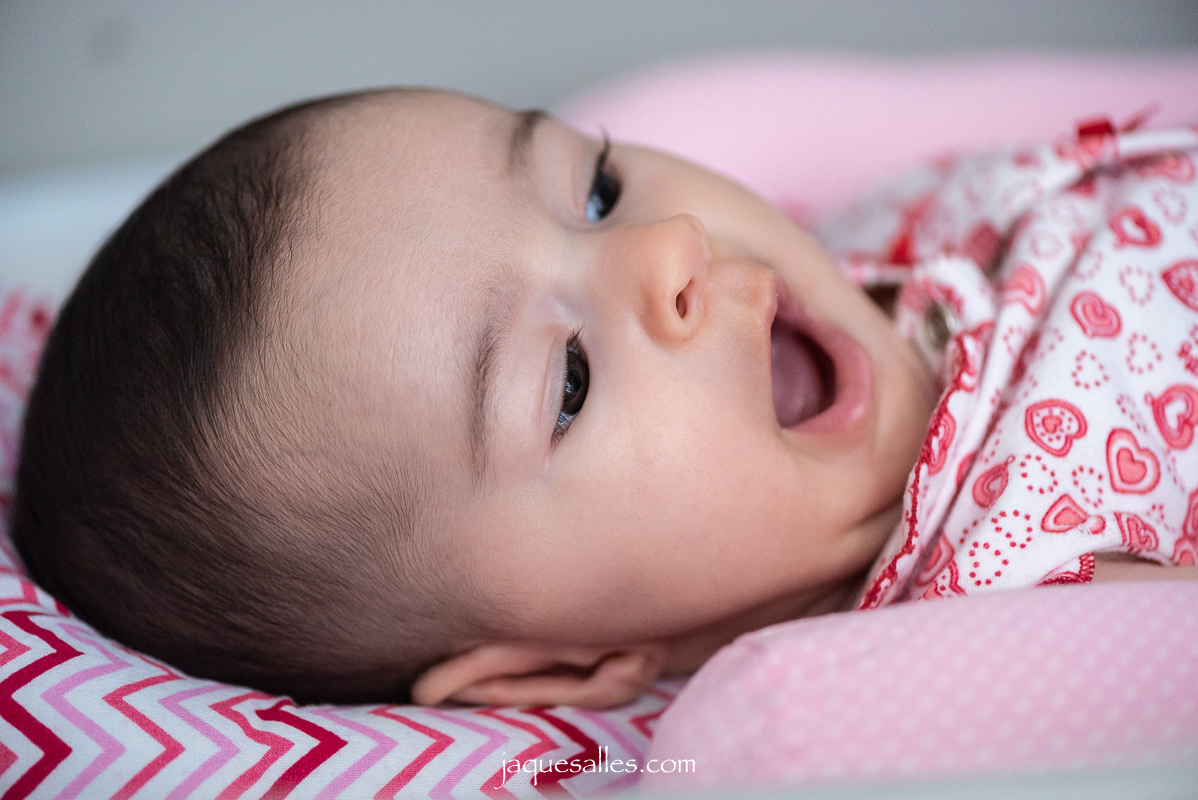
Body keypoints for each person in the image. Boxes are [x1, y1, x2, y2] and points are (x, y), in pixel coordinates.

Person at [10, 89, 1197, 710]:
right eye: (567, 383)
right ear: (558, 669)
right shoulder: (1001, 607)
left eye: (598, 187)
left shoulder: (888, 236)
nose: (666, 249)